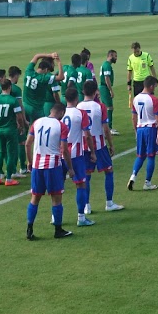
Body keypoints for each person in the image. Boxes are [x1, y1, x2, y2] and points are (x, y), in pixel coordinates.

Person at [26, 102, 73, 240]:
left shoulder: (37, 122)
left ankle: (29, 229)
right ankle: (58, 230)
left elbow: (28, 143)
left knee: (35, 198)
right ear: (62, 113)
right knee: (56, 198)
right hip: (52, 166)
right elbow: (64, 149)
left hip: (37, 165)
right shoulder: (61, 126)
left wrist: (29, 161)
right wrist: (70, 168)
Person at [81, 79, 123, 213]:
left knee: (86, 175)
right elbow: (106, 129)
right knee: (108, 171)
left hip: (84, 145)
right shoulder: (100, 107)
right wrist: (111, 145)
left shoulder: (78, 107)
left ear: (83, 91)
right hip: (99, 145)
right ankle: (109, 203)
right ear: (95, 92)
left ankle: (86, 205)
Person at [62, 84, 93, 226]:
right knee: (81, 184)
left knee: (58, 187)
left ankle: (55, 217)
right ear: (76, 98)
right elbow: (87, 136)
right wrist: (92, 152)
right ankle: (81, 217)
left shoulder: (59, 113)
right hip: (76, 154)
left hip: (60, 153)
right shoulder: (81, 113)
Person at [127, 75, 158, 191]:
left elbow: (133, 118)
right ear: (151, 86)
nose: (155, 89)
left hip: (140, 128)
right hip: (151, 129)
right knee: (151, 156)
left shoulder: (136, 99)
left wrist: (136, 131)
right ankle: (147, 182)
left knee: (140, 156)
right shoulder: (153, 99)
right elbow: (157, 119)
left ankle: (133, 177)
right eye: (154, 87)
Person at [0, 78, 25, 185]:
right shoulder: (13, 100)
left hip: (0, 130)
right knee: (11, 153)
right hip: (10, 129)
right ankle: (9, 179)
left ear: (1, 88)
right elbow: (19, 117)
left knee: (1, 152)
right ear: (10, 87)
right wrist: (21, 127)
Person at [23, 52, 62, 123]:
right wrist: (59, 62)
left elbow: (36, 56)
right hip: (36, 108)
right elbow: (61, 77)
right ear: (46, 70)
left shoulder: (28, 71)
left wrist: (50, 55)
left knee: (26, 128)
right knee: (39, 127)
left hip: (25, 106)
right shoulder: (44, 78)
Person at [8, 65, 29, 175]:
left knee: (6, 146)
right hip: (15, 120)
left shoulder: (1, 87)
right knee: (21, 142)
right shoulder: (16, 89)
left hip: (4, 121)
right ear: (15, 75)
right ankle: (22, 167)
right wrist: (24, 121)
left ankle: (6, 171)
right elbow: (20, 107)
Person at [99, 49, 118, 133]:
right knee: (109, 107)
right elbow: (107, 78)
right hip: (105, 88)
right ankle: (108, 128)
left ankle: (105, 127)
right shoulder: (107, 66)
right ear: (110, 55)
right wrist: (111, 90)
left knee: (106, 107)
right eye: (115, 56)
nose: (116, 58)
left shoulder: (105, 64)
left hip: (103, 88)